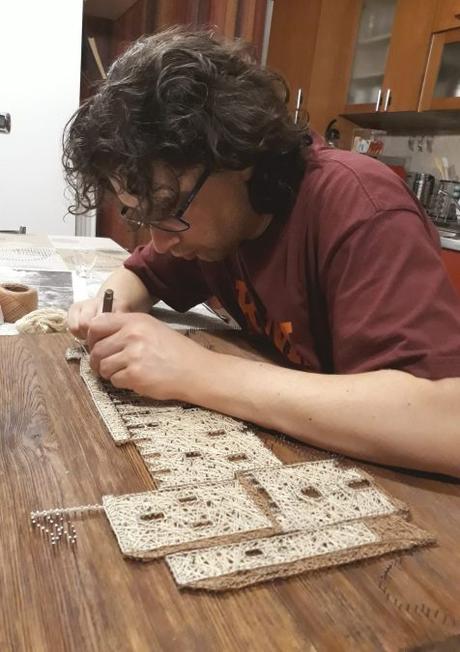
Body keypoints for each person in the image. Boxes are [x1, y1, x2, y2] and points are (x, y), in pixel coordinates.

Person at [64, 27, 460, 478]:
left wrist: (198, 373)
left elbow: (445, 424)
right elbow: (142, 274)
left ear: (237, 156)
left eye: (169, 208)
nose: (159, 240)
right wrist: (106, 304)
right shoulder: (210, 223)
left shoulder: (361, 207)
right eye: (142, 216)